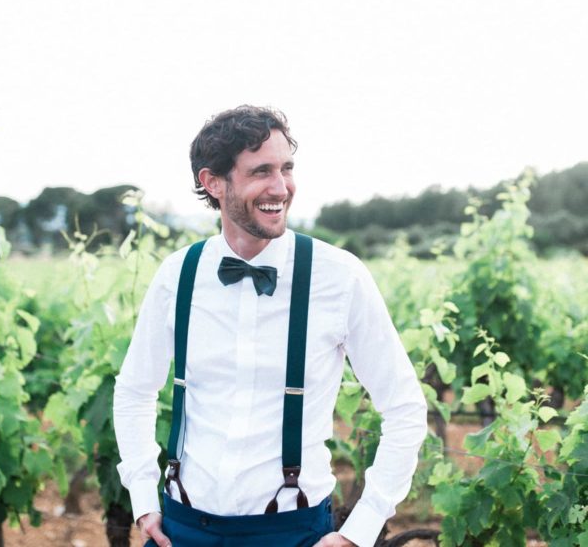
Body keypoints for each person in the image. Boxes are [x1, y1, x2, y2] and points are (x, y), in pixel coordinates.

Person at [113, 105, 427, 547]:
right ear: (213, 182)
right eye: (261, 171)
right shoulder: (177, 274)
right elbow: (134, 391)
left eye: (287, 168)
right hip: (182, 529)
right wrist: (144, 498)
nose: (281, 188)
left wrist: (360, 530)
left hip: (292, 532)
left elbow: (404, 407)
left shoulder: (339, 277)